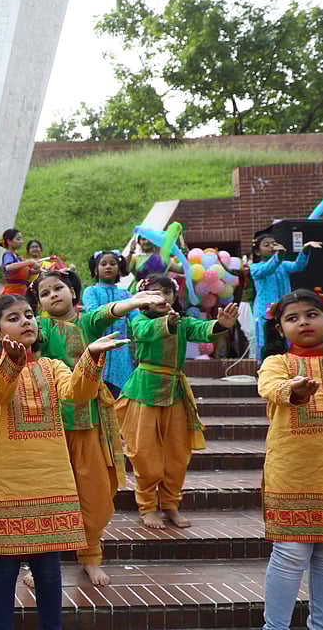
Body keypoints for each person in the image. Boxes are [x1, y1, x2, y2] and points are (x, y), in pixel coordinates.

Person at [0, 293, 123, 630]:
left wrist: (91, 355)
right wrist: (12, 363)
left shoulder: (52, 367)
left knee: (48, 568)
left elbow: (79, 392)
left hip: (52, 479)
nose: (26, 321)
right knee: (5, 567)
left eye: (29, 315)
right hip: (7, 479)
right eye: (14, 318)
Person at [28, 271, 167, 586]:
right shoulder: (40, 328)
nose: (53, 295)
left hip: (89, 423)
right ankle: (39, 565)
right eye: (45, 293)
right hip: (50, 427)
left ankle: (91, 556)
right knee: (47, 497)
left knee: (95, 495)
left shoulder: (86, 323)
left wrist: (134, 302)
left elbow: (108, 312)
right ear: (39, 304)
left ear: (73, 292)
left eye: (58, 288)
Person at [257, 289, 323, 630]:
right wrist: (293, 390)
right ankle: (275, 628)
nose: (303, 322)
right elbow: (270, 387)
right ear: (280, 329)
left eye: (311, 315)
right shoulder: (277, 363)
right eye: (293, 318)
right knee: (290, 553)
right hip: (292, 472)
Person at [115, 273, 239, 528]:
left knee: (177, 455)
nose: (162, 297)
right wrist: (167, 323)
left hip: (175, 394)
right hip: (144, 391)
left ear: (174, 296)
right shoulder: (139, 319)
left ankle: (170, 505)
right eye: (155, 292)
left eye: (167, 292)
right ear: (144, 299)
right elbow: (145, 332)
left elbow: (203, 330)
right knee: (145, 454)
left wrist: (220, 325)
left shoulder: (182, 322)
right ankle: (148, 507)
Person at [250, 233, 321, 365]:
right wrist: (279, 256)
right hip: (265, 311)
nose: (271, 246)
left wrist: (305, 250)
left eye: (273, 243)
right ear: (258, 252)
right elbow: (267, 269)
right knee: (267, 339)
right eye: (267, 245)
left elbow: (297, 266)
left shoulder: (282, 265)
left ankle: (289, 365)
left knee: (287, 335)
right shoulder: (255, 268)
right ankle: (265, 367)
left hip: (285, 309)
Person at [81, 250, 136, 395]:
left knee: (120, 397)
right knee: (95, 396)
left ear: (119, 269)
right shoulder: (90, 292)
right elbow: (94, 315)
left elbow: (137, 320)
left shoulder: (125, 294)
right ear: (96, 269)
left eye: (113, 264)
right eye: (103, 264)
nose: (108, 267)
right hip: (97, 350)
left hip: (121, 356)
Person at [0, 228, 38, 296]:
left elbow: (28, 273)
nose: (21, 241)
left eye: (21, 239)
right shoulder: (8, 255)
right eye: (18, 239)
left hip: (21, 292)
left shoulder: (18, 257)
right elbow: (8, 267)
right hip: (12, 293)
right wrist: (28, 262)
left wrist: (40, 270)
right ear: (9, 241)